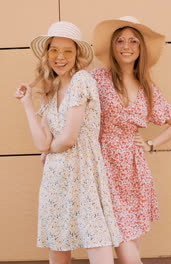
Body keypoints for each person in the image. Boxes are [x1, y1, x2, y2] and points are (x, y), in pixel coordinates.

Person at [14, 21, 122, 264]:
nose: (59, 57)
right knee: (57, 242)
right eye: (54, 50)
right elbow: (42, 143)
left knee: (96, 241)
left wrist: (51, 148)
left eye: (67, 51)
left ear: (77, 55)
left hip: (84, 172)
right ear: (47, 54)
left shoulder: (82, 80)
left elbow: (68, 139)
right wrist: (27, 105)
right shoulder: (50, 91)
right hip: (55, 178)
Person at [91, 16, 171, 263]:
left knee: (131, 236)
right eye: (120, 40)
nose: (126, 46)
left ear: (141, 48)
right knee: (121, 235)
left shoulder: (147, 87)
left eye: (133, 41)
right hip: (103, 164)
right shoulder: (97, 79)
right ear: (112, 46)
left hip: (134, 169)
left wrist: (152, 144)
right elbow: (75, 112)